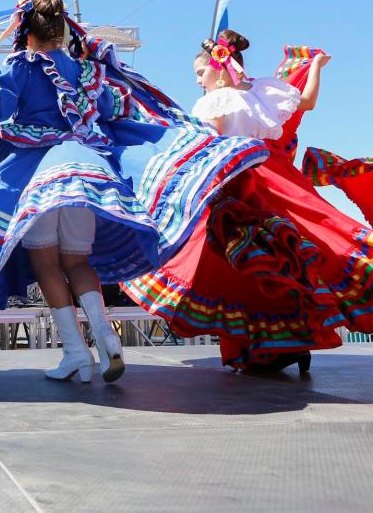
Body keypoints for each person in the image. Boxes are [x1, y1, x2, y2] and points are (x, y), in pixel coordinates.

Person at [0, 0, 269, 382]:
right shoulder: (86, 70)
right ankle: (108, 338)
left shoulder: (21, 67)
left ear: (26, 32)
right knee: (77, 261)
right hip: (87, 171)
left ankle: (76, 352)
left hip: (40, 175)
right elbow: (114, 109)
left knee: (46, 263)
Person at [122, 32, 373, 372]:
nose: (198, 81)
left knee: (244, 266)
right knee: (297, 252)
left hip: (240, 180)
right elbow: (308, 102)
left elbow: (210, 141)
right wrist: (315, 65)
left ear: (220, 68)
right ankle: (291, 345)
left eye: (200, 73)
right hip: (281, 179)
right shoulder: (264, 91)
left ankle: (267, 347)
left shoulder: (215, 101)